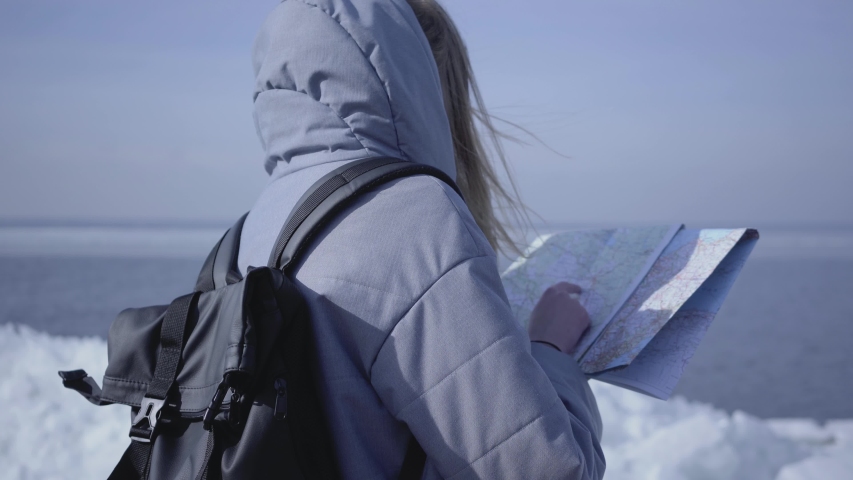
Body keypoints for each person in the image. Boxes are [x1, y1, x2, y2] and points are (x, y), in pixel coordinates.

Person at [237, 0, 605, 478]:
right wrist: (551, 350)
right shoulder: (414, 216)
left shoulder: (253, 227)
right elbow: (548, 471)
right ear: (425, 86)